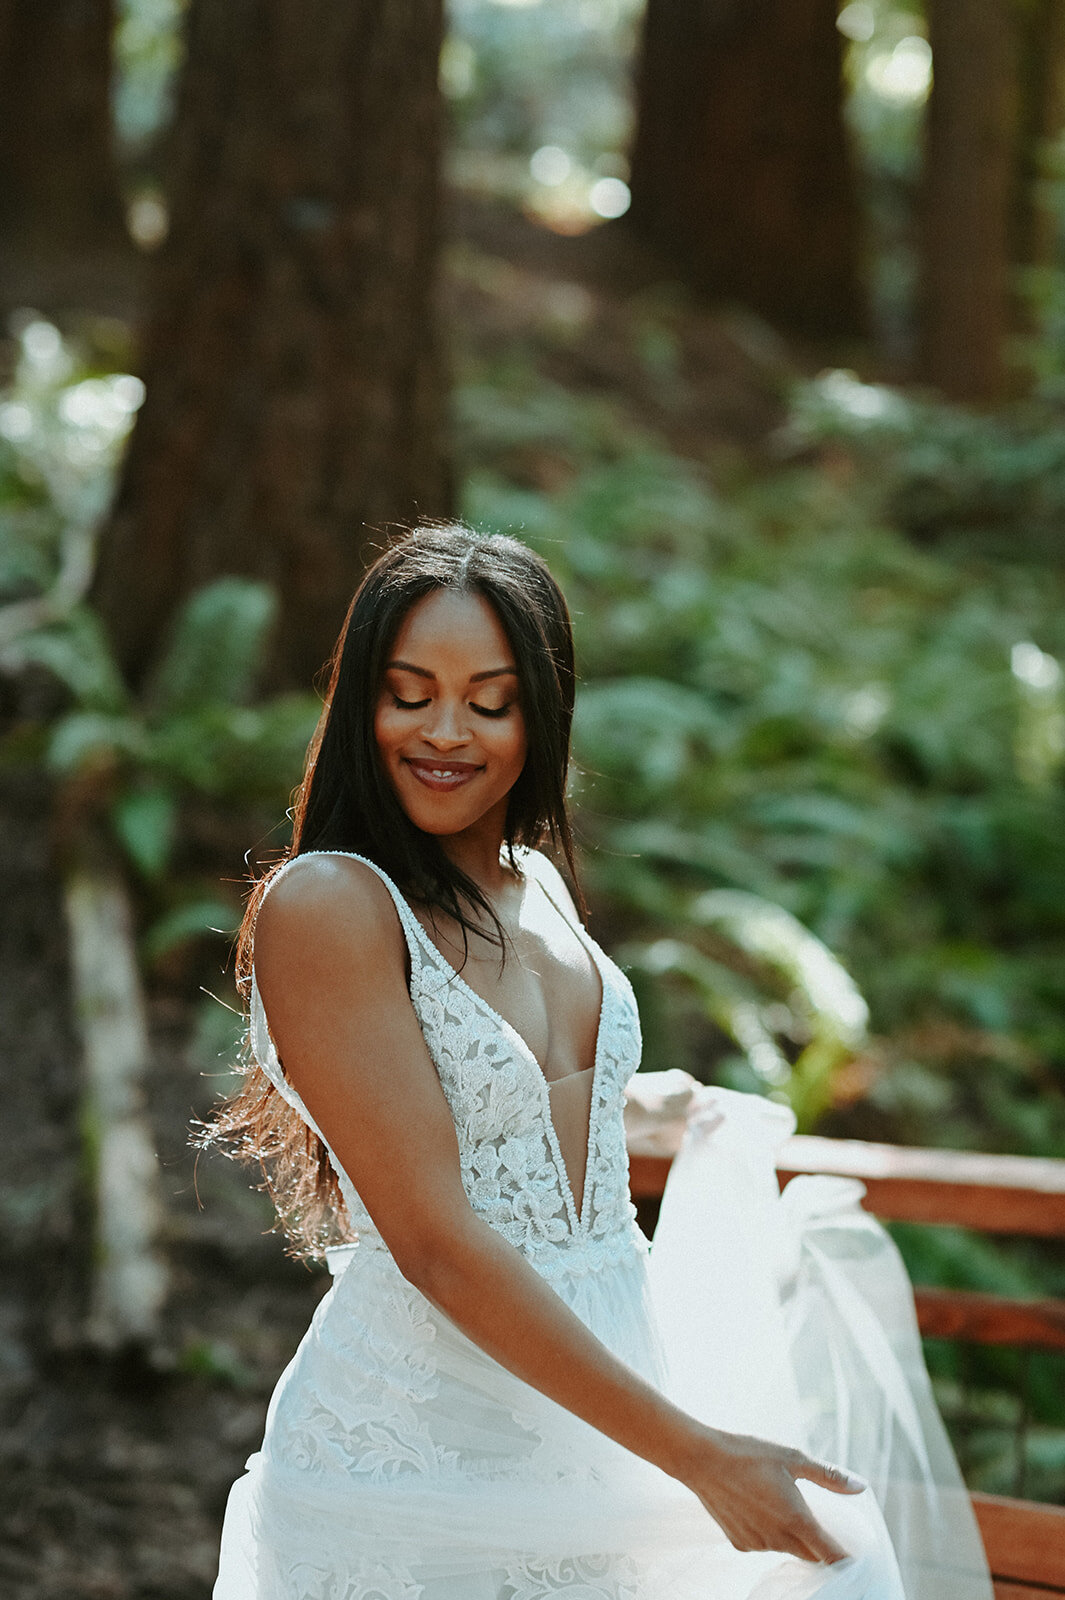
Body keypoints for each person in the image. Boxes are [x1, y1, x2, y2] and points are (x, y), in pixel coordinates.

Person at [204, 525, 992, 1600]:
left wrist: (642, 1106)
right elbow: (437, 1239)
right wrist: (698, 1455)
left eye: (490, 701)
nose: (446, 731)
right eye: (408, 692)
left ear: (542, 709)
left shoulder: (536, 882)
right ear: (360, 706)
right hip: (428, 1468)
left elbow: (495, 1103)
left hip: (610, 1420)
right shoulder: (332, 906)